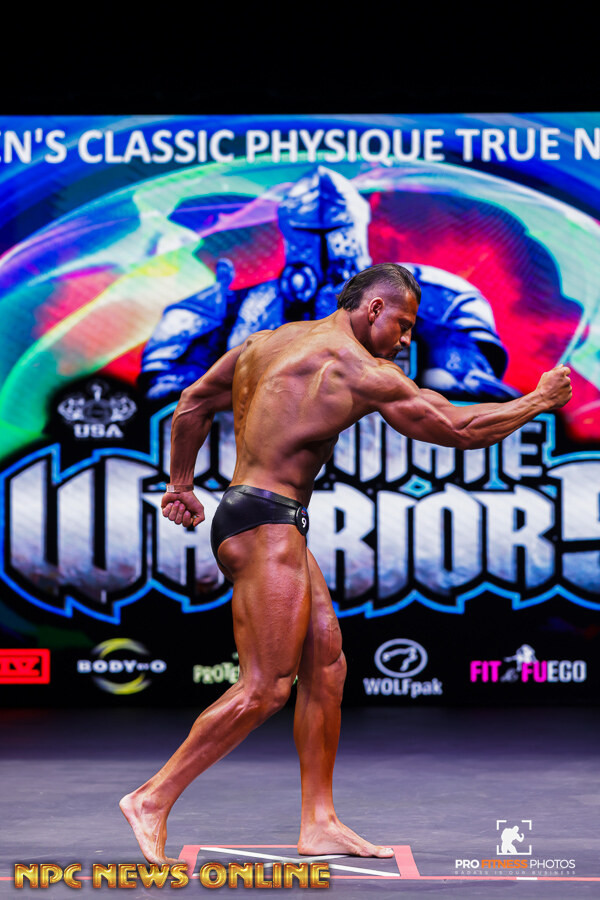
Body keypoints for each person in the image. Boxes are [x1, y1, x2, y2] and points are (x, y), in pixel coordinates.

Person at [120, 263, 572, 865]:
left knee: (327, 666)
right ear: (374, 309)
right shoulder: (359, 370)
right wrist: (538, 401)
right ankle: (151, 798)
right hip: (266, 524)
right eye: (403, 325)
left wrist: (182, 482)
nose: (405, 341)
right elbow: (458, 428)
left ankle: (319, 822)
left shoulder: (266, 342)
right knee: (264, 689)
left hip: (260, 515)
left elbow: (193, 401)